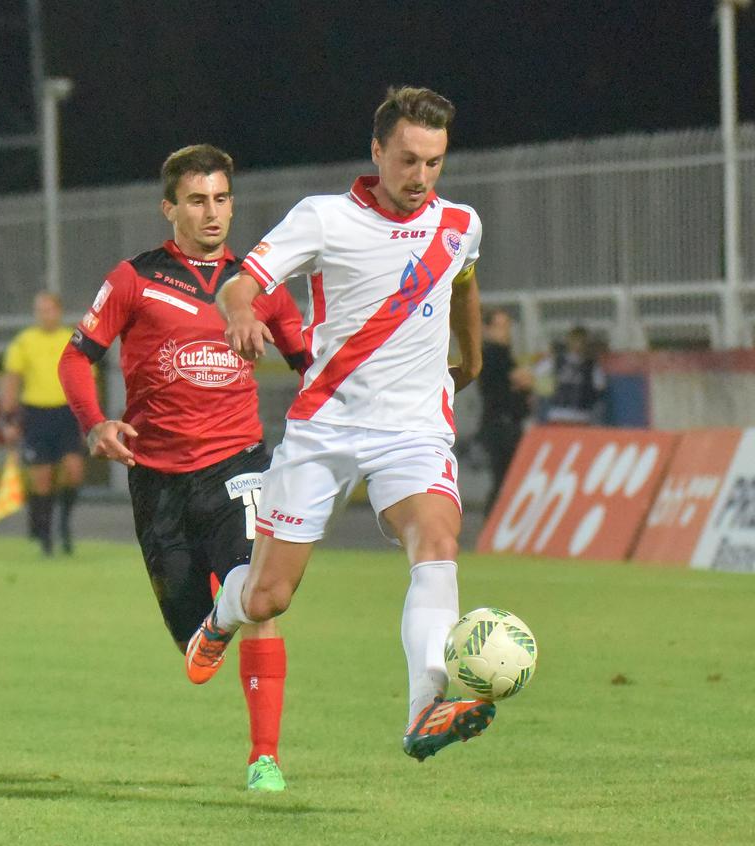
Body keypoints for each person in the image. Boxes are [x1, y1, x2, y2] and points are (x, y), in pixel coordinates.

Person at [184, 87, 494, 764]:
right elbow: (244, 280)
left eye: (435, 163)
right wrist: (240, 312)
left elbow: (463, 284)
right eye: (409, 160)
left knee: (437, 539)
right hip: (327, 429)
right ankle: (220, 614)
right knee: (270, 594)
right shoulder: (324, 219)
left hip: (413, 429)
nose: (421, 178)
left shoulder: (460, 223)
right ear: (377, 150)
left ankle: (426, 707)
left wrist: (470, 359)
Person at [59, 144, 308, 791]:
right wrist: (96, 423)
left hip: (237, 465)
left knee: (260, 598)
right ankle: (213, 623)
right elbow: (73, 358)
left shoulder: (258, 288)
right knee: (192, 644)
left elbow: (311, 364)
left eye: (222, 198)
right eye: (197, 200)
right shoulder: (134, 279)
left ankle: (265, 758)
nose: (212, 212)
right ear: (169, 207)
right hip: (157, 477)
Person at [0, 292, 85, 555]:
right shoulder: (25, 342)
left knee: (73, 471)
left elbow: (85, 380)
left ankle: (64, 525)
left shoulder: (72, 339)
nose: (45, 315)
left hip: (67, 412)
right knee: (42, 478)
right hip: (36, 414)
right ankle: (46, 536)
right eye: (40, 310)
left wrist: (90, 418)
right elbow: (12, 380)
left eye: (49, 309)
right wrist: (9, 418)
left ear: (58, 311)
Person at [477, 309, 533, 511]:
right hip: (501, 424)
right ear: (487, 329)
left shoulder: (504, 355)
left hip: (506, 423)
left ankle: (495, 523)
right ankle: (492, 521)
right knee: (504, 478)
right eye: (500, 327)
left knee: (507, 478)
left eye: (507, 327)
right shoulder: (493, 355)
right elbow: (518, 381)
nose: (506, 332)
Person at [539, 325, 606, 424]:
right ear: (568, 341)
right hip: (558, 413)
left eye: (581, 341)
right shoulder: (555, 361)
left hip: (582, 415)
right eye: (575, 341)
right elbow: (536, 375)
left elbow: (600, 387)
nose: (578, 345)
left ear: (586, 344)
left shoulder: (592, 366)